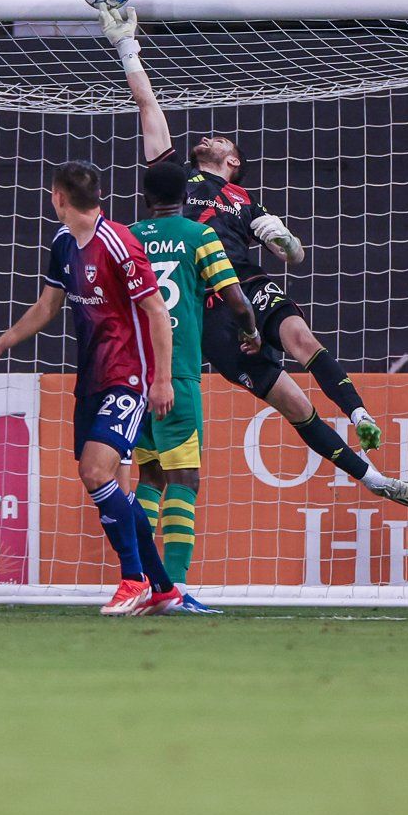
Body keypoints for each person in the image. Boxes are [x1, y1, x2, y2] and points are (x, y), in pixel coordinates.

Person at [107, 11, 408, 507]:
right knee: (295, 404)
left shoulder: (244, 199)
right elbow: (149, 107)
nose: (211, 137)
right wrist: (127, 45)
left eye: (223, 142)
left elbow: (289, 251)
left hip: (247, 282)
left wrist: (284, 241)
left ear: (232, 161)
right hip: (208, 308)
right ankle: (374, 480)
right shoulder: (176, 181)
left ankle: (360, 414)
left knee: (302, 339)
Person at [0, 161, 184, 615]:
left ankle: (133, 580)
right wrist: (1, 343)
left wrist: (161, 379)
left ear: (59, 197)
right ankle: (163, 587)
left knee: (95, 472)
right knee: (116, 491)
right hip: (91, 379)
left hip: (128, 377)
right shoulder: (64, 242)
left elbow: (157, 312)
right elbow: (48, 305)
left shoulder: (120, 244)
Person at [130, 157, 266, 613]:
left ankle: (143, 583)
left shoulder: (126, 238)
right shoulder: (199, 235)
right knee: (184, 479)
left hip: (136, 375)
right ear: (186, 198)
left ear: (147, 198)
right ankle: (177, 587)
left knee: (148, 476)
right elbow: (235, 298)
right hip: (179, 372)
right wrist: (250, 332)